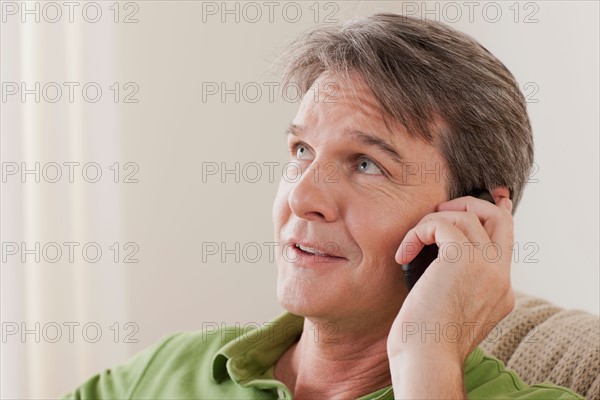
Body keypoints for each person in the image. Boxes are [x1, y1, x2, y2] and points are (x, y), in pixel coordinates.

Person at [62, 13, 584, 399]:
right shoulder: (170, 371)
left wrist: (426, 361)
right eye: (302, 152)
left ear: (472, 218)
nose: (302, 197)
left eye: (366, 164)